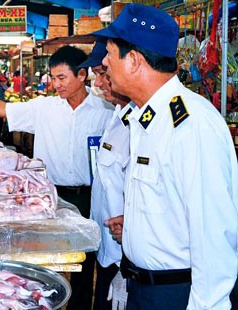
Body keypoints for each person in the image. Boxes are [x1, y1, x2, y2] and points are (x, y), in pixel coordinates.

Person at [0, 45, 114, 310]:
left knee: (87, 260)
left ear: (82, 75)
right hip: (50, 196)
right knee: (48, 258)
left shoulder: (106, 109)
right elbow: (1, 109)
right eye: (53, 78)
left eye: (61, 78)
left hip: (92, 196)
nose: (56, 84)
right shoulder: (44, 108)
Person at [94, 4, 238, 309]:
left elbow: (213, 236)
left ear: (133, 60)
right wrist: (135, 224)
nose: (104, 63)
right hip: (142, 289)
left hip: (177, 296)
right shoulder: (145, 118)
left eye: (109, 53)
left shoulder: (190, 124)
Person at [79, 37, 134, 310]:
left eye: (104, 74)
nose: (99, 84)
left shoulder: (140, 125)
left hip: (127, 258)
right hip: (108, 252)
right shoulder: (116, 116)